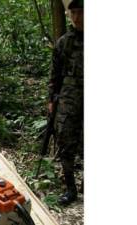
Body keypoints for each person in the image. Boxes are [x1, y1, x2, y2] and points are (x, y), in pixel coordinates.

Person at [48, 0, 84, 205]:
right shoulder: (64, 42)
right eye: (73, 13)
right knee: (65, 143)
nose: (77, 18)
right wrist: (51, 100)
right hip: (68, 102)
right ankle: (70, 189)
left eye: (81, 12)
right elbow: (55, 75)